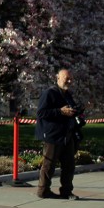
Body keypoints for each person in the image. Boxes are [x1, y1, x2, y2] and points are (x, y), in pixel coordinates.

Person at [34, 68, 81, 200]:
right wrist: (60, 111)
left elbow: (71, 110)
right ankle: (43, 190)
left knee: (69, 165)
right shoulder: (49, 93)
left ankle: (66, 191)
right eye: (67, 78)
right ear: (58, 78)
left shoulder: (67, 94)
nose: (70, 81)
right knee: (49, 164)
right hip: (53, 135)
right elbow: (41, 113)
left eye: (71, 79)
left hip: (67, 134)